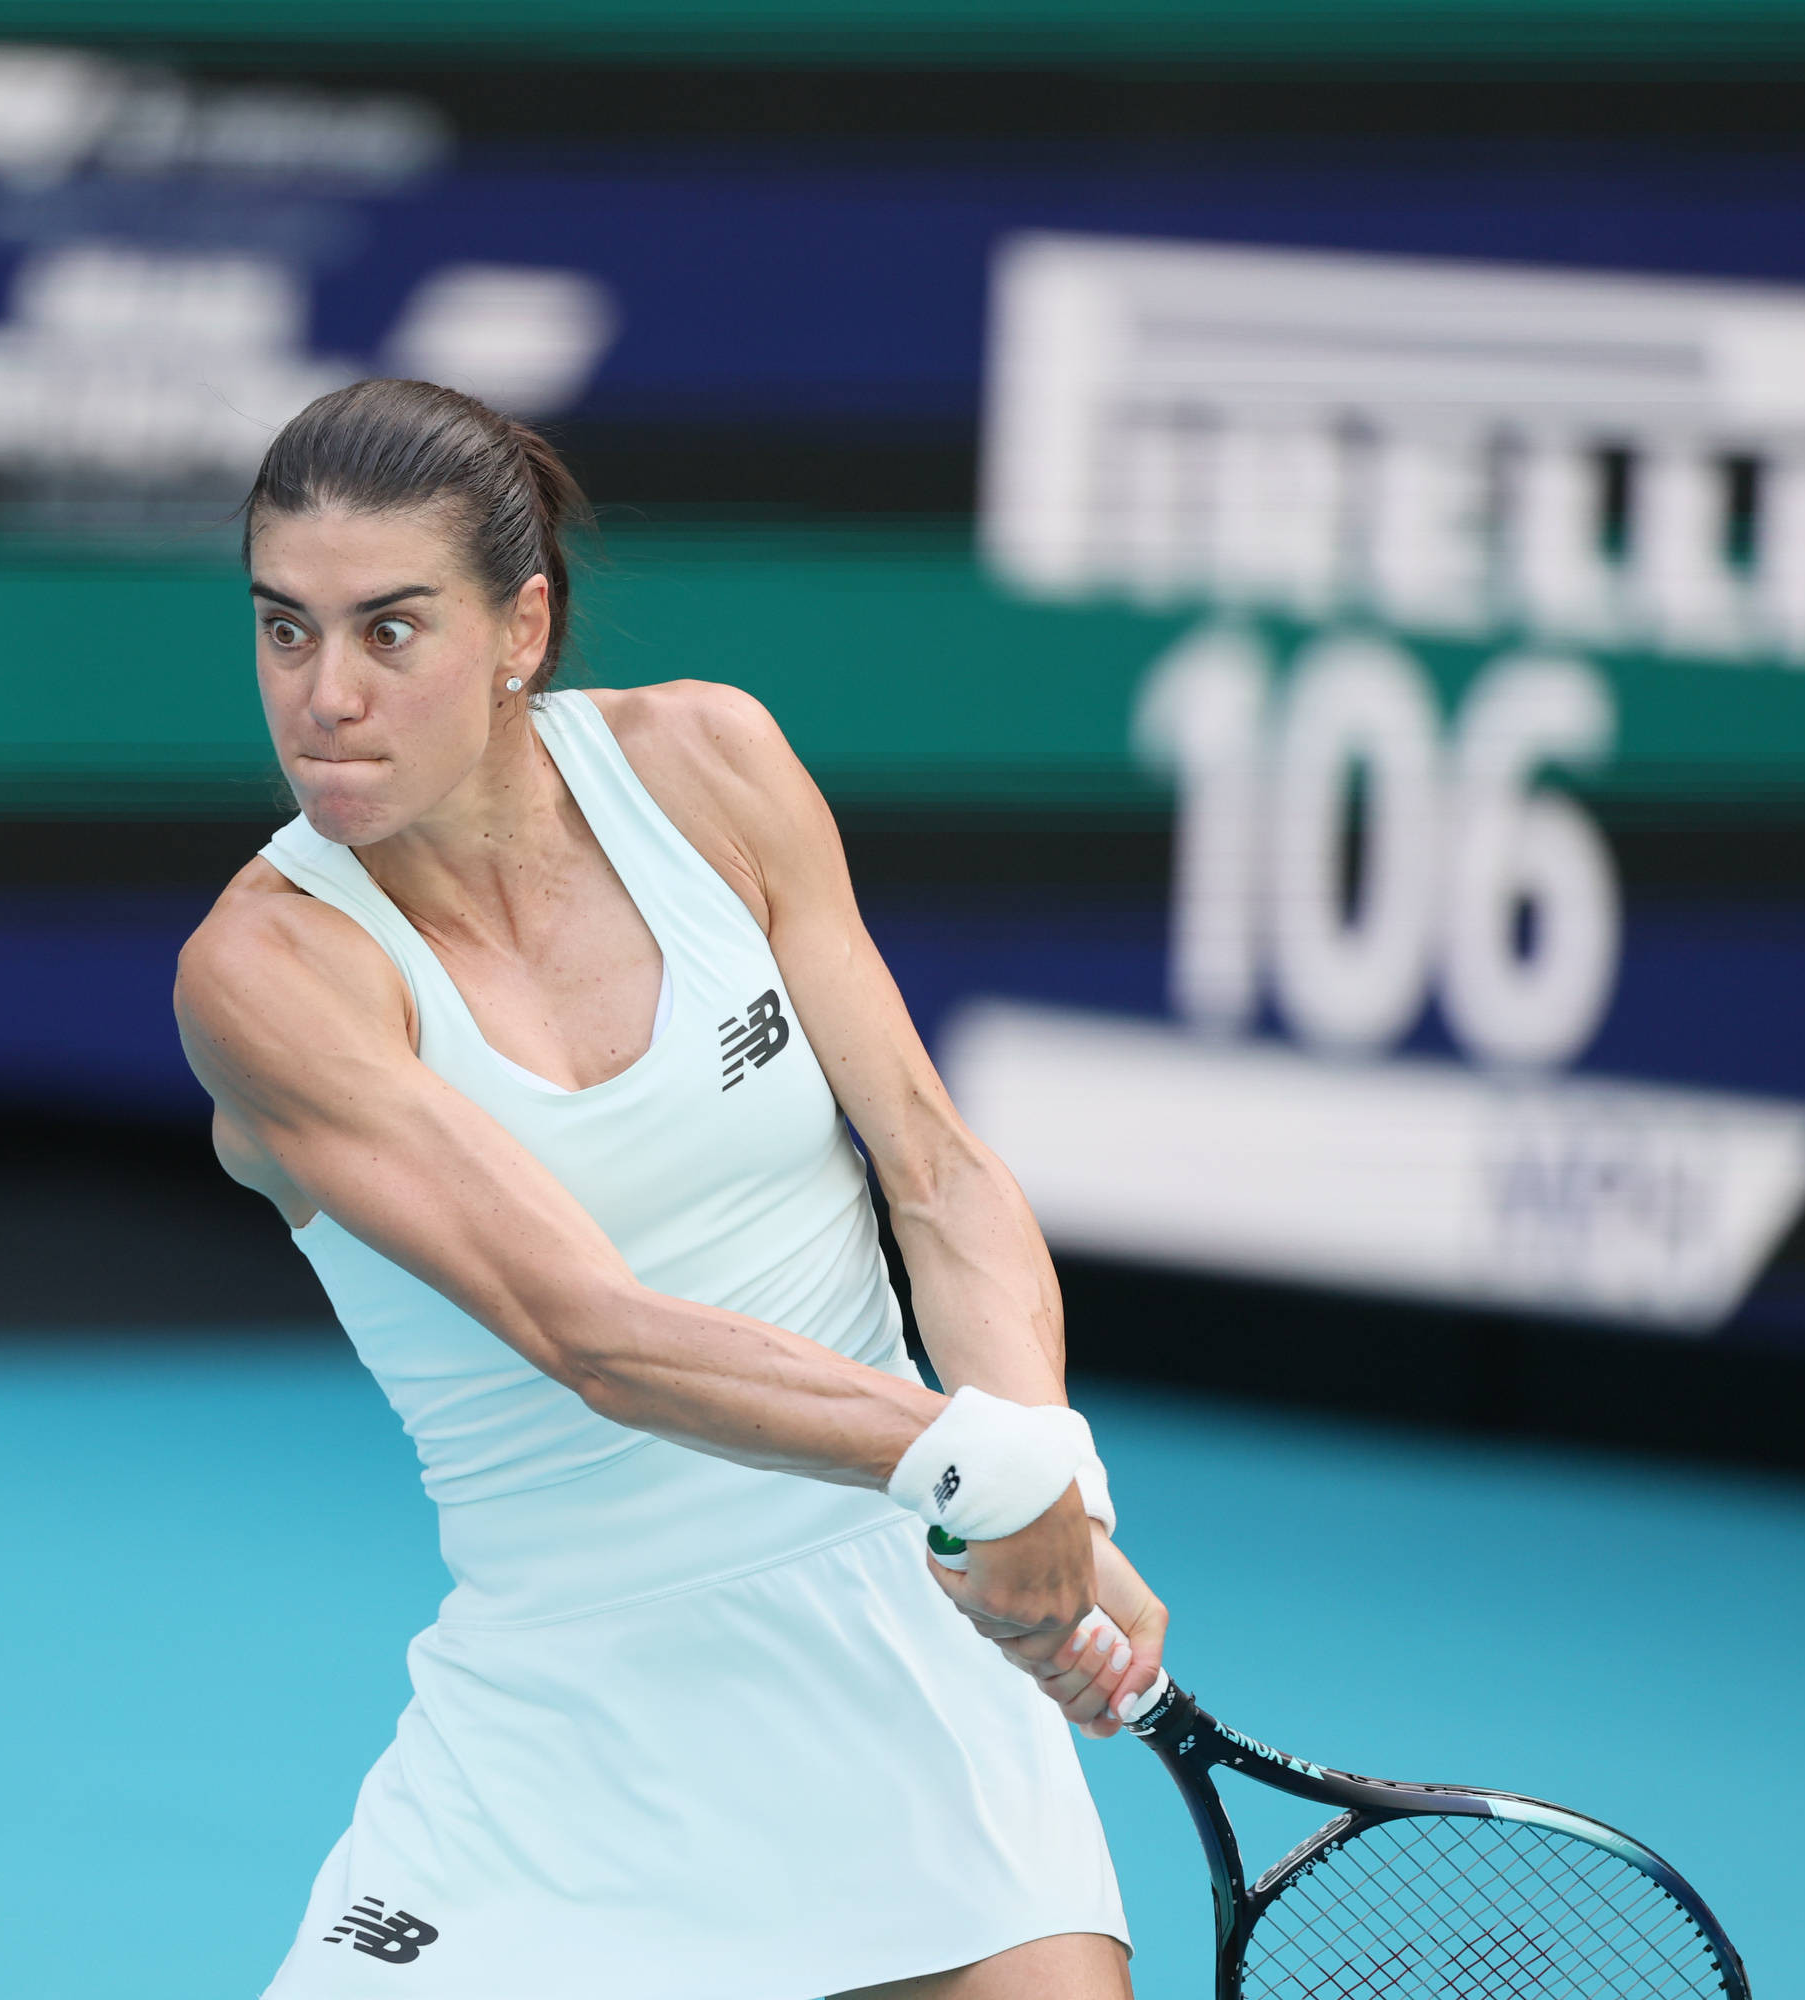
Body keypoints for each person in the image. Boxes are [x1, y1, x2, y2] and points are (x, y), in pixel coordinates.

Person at [176, 378, 1171, 1999]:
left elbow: (933, 1168)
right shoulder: (268, 971)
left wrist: (1054, 1475)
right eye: (286, 630)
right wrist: (984, 1468)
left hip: (904, 1660)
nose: (326, 696)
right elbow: (597, 1332)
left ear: (521, 626)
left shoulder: (710, 767)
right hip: (559, 1737)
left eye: (391, 631)